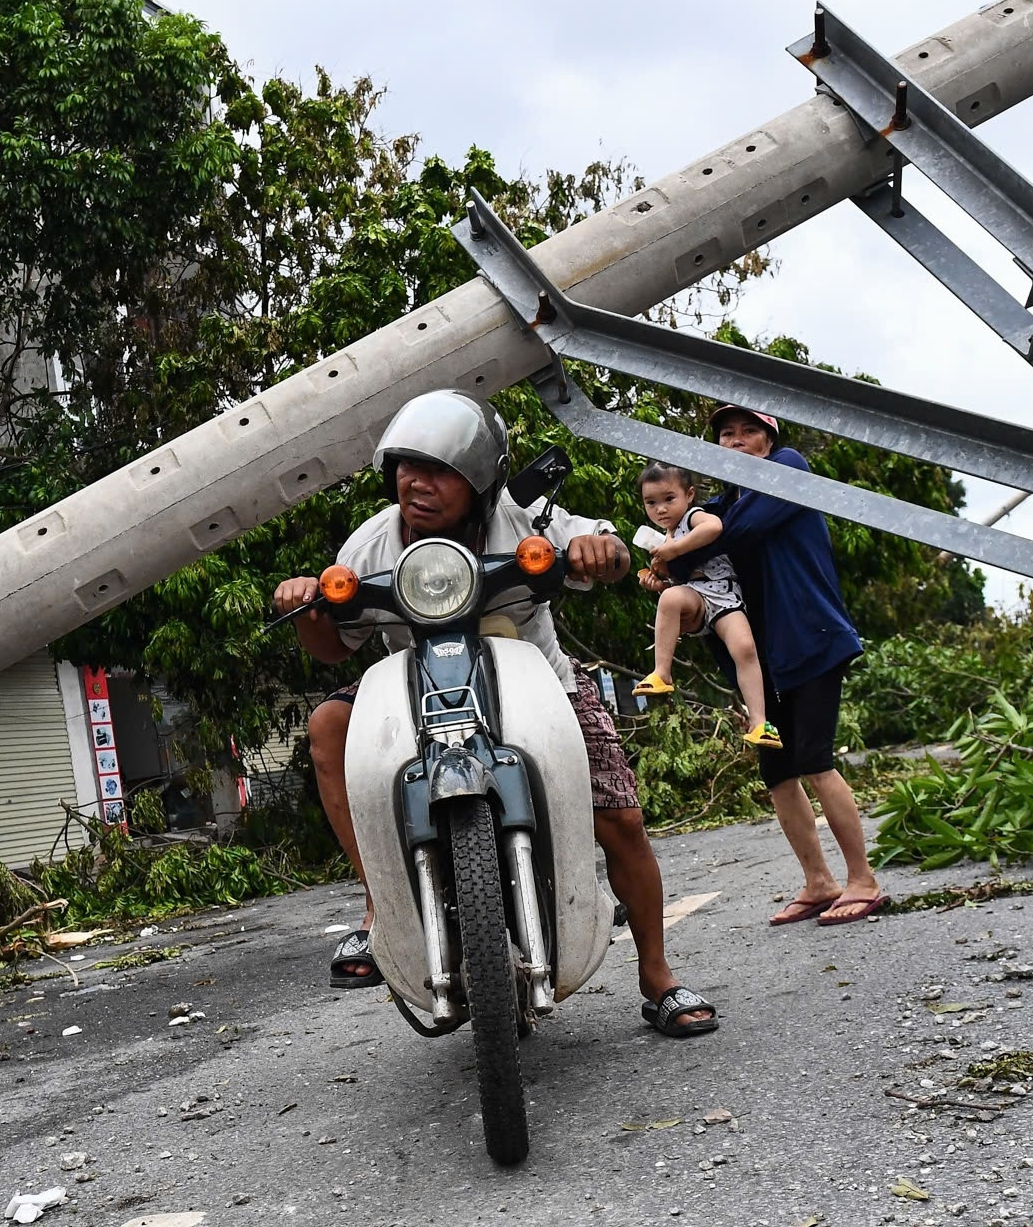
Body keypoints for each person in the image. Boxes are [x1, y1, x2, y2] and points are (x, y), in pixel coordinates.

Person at [272, 390, 718, 1037]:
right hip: (415, 690)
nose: (416, 484)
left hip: (539, 684)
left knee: (619, 817)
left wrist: (602, 551)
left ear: (480, 481)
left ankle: (658, 975)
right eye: (406, 467)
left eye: (439, 471)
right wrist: (311, 604)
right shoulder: (371, 543)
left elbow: (609, 550)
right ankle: (380, 912)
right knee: (328, 728)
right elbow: (332, 647)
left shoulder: (522, 517)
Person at [702, 404, 888, 927]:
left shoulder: (789, 469)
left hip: (811, 641)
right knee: (777, 771)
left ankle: (863, 880)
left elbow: (728, 536)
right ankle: (819, 881)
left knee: (814, 758)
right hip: (763, 661)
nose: (736, 442)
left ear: (768, 440)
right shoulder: (721, 504)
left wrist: (690, 540)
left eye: (748, 432)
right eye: (726, 434)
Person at [630, 461, 780, 750]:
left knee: (745, 649)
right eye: (651, 503)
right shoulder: (665, 539)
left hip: (724, 595)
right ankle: (662, 672)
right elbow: (675, 585)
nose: (660, 509)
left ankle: (759, 722)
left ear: (688, 495)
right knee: (670, 598)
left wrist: (674, 550)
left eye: (669, 499)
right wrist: (658, 582)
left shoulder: (692, 518)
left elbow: (715, 527)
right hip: (696, 596)